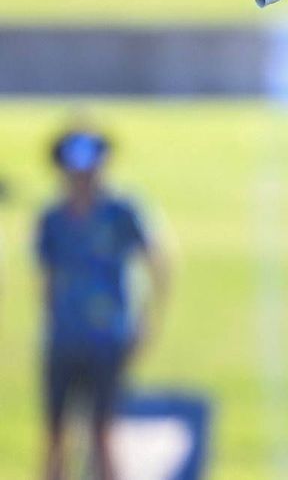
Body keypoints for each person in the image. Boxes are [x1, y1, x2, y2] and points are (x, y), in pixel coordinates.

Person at [37, 129, 170, 480]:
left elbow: (158, 259)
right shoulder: (52, 218)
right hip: (64, 337)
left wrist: (147, 319)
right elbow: (47, 277)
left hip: (108, 337)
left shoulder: (121, 211)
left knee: (102, 432)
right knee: (54, 434)